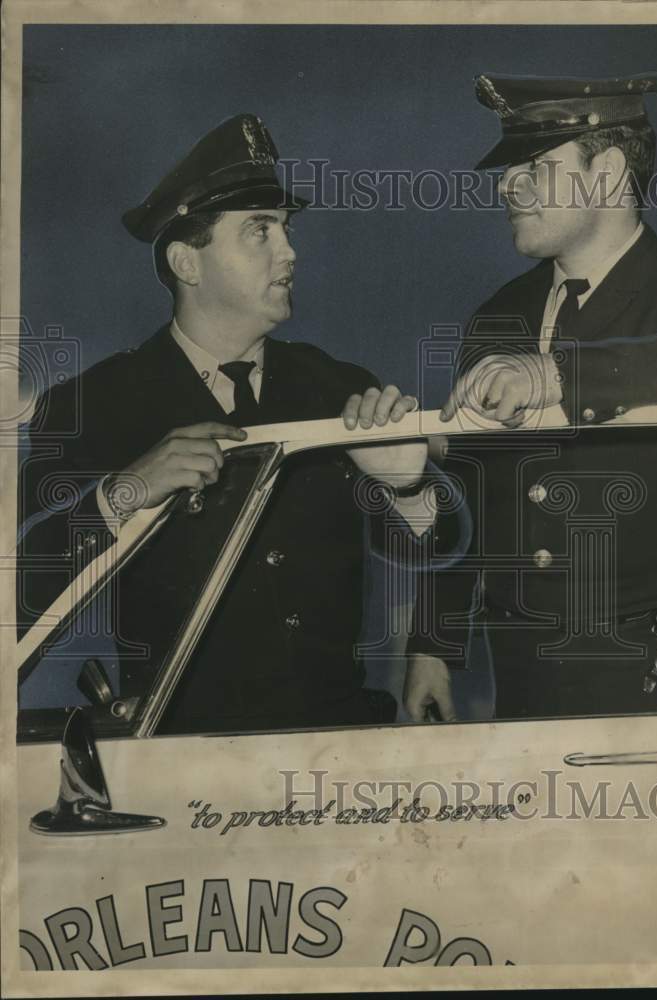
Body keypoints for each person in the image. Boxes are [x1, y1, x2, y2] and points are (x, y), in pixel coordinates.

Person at [18, 113, 432, 734]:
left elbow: (448, 547)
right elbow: (17, 591)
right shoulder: (95, 403)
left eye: (285, 229)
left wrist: (411, 489)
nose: (290, 252)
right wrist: (121, 494)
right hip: (177, 750)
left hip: (336, 743)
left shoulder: (337, 386)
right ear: (188, 261)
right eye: (260, 232)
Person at [404, 73, 657, 723]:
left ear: (608, 171)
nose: (506, 186)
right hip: (523, 678)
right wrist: (432, 644)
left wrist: (559, 374)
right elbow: (469, 495)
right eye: (509, 171)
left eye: (535, 167)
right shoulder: (498, 316)